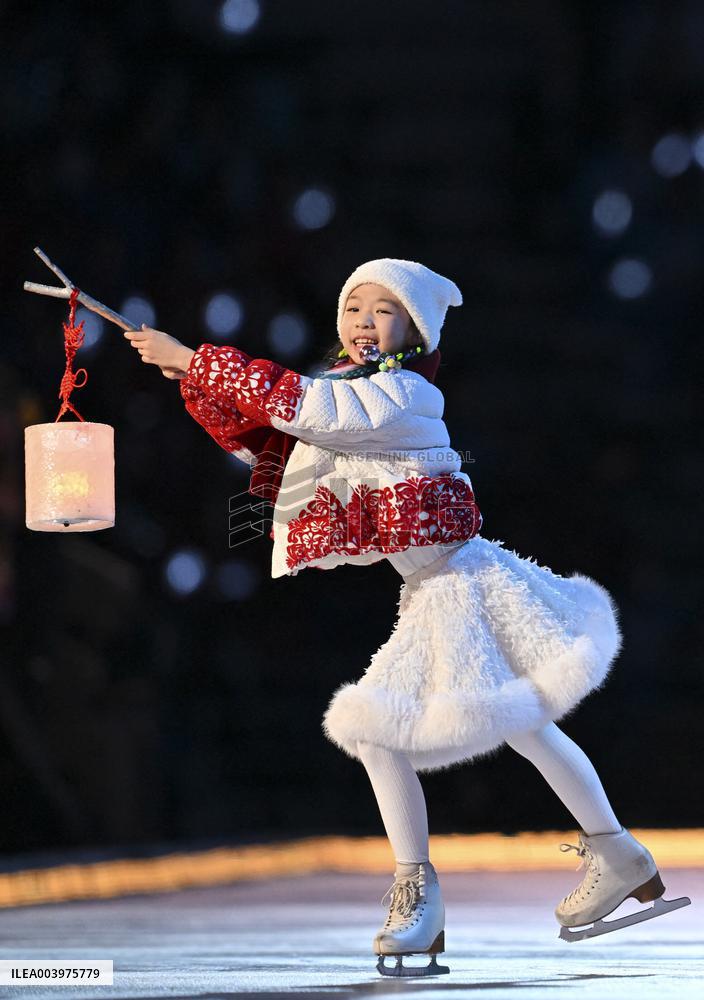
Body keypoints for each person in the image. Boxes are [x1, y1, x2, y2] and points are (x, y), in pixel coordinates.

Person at [124, 258, 687, 976]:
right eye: (354, 306)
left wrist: (200, 358)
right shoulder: (348, 394)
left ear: (415, 328)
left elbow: (299, 407)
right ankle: (614, 853)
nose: (363, 320)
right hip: (443, 587)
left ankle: (421, 890)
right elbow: (274, 446)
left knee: (387, 730)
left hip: (462, 583)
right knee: (516, 725)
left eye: (383, 309)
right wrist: (199, 383)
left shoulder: (404, 395)